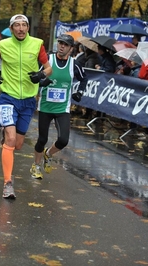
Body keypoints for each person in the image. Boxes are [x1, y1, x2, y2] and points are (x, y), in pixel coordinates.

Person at [0, 14, 52, 199]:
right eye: (17, 26)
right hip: (8, 97)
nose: (21, 29)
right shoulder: (3, 45)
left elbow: (48, 68)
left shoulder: (37, 44)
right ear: (12, 28)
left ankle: (6, 134)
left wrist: (40, 75)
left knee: (18, 145)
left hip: (28, 100)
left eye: (24, 25)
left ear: (28, 27)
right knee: (11, 139)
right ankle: (7, 183)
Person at [30, 34, 87, 179]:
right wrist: (41, 83)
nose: (61, 46)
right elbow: (33, 77)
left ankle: (48, 154)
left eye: (65, 44)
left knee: (63, 140)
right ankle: (36, 166)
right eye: (60, 43)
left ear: (71, 48)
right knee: (42, 139)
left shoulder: (74, 64)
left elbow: (84, 78)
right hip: (45, 107)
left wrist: (79, 92)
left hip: (62, 108)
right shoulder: (48, 60)